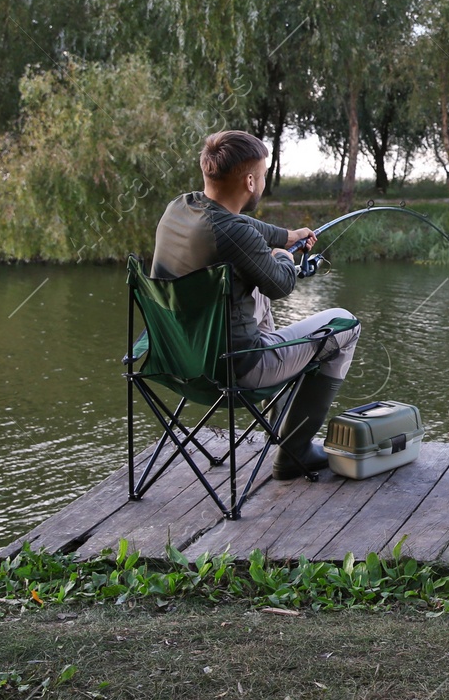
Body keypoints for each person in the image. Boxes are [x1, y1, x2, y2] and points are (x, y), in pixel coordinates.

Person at [151, 129, 361, 479]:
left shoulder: (180, 207)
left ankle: (278, 422)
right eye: (262, 176)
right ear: (250, 181)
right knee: (346, 324)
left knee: (251, 284)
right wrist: (282, 256)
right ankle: (293, 451)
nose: (262, 182)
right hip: (236, 369)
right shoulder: (234, 234)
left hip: (177, 358)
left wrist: (286, 236)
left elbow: (238, 225)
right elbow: (280, 284)